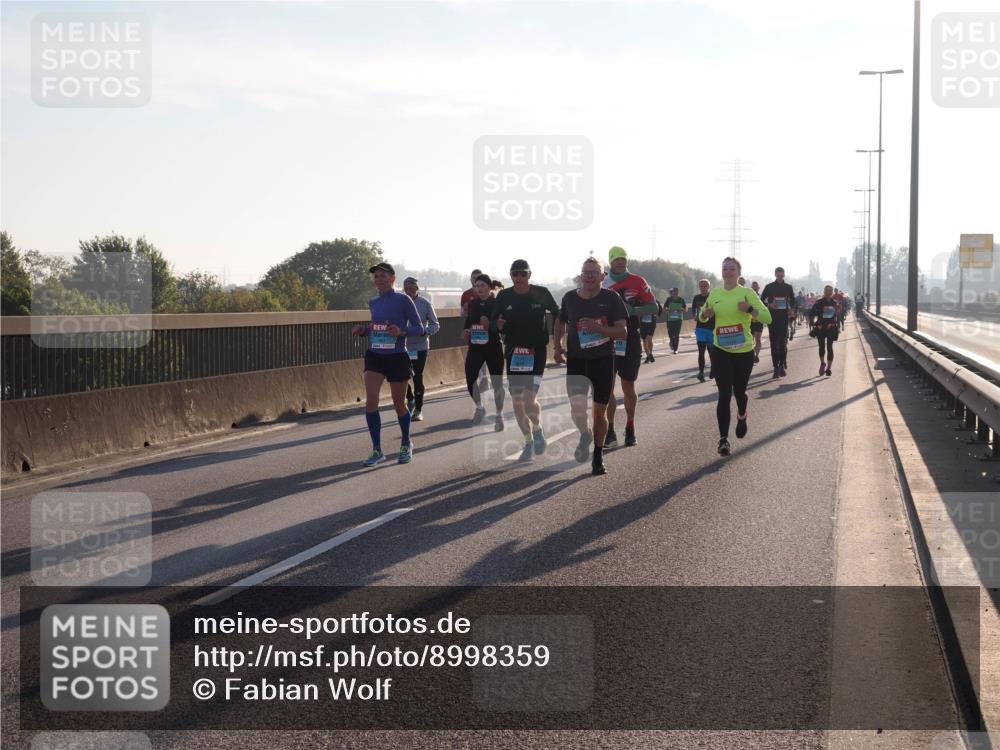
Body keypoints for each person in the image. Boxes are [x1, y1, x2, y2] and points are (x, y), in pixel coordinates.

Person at [553, 257, 629, 475]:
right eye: (585, 272)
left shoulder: (611, 298)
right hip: (576, 360)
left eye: (594, 273)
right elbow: (560, 321)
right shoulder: (570, 298)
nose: (588, 276)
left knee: (599, 412)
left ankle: (597, 454)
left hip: (603, 360)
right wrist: (557, 346)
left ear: (602, 277)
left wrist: (598, 328)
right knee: (577, 410)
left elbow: (622, 331)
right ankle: (584, 433)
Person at [352, 262, 425, 466]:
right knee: (371, 401)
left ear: (392, 279)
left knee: (398, 403)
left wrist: (401, 331)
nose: (379, 279)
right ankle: (377, 450)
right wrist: (363, 331)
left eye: (383, 276)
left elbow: (419, 327)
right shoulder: (373, 302)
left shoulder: (404, 300)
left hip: (396, 356)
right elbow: (377, 327)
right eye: (376, 276)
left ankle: (406, 443)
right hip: (375, 355)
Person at [699, 257, 772, 456]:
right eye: (725, 269)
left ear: (739, 272)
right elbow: (702, 315)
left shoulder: (747, 293)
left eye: (732, 269)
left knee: (739, 392)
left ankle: (742, 414)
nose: (728, 272)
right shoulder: (715, 293)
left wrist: (749, 309)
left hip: (743, 352)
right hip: (720, 350)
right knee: (724, 394)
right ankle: (723, 440)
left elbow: (767, 317)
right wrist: (706, 314)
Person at [491, 259, 560, 461]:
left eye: (523, 273)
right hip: (514, 353)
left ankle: (537, 429)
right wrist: (498, 324)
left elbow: (558, 313)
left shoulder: (541, 292)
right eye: (515, 274)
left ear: (529, 275)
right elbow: (493, 324)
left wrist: (558, 339)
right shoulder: (504, 296)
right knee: (517, 402)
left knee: (529, 400)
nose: (519, 277)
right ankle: (529, 441)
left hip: (536, 352)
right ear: (511, 276)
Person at [602, 246, 659, 448]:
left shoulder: (638, 281)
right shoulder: (602, 282)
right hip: (606, 339)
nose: (620, 262)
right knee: (606, 388)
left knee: (628, 386)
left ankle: (630, 426)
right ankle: (609, 431)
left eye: (623, 259)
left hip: (630, 339)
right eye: (616, 259)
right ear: (610, 261)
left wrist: (633, 310)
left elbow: (654, 307)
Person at [463, 273, 506, 430]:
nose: (479, 289)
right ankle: (480, 407)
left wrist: (491, 324)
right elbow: (468, 322)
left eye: (482, 286)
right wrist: (466, 330)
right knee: (470, 377)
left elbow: (502, 325)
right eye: (477, 286)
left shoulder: (496, 303)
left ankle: (499, 415)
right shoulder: (473, 304)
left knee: (497, 383)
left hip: (493, 346)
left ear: (489, 287)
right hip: (476, 346)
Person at [403, 277, 440, 422]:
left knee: (417, 376)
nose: (409, 291)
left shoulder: (424, 304)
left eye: (412, 289)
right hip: (402, 345)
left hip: (420, 346)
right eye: (406, 289)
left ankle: (418, 409)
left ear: (416, 289)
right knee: (401, 376)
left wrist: (425, 331)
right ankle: (410, 398)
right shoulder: (400, 302)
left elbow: (435, 324)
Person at [760, 266, 796, 378]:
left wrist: (791, 310)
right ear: (775, 274)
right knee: (773, 344)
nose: (780, 277)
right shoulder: (769, 287)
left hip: (784, 318)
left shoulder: (788, 287)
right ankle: (775, 367)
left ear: (784, 275)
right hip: (772, 319)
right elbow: (761, 300)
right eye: (778, 275)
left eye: (781, 275)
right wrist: (769, 304)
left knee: (782, 343)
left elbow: (794, 301)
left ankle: (782, 364)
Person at [810, 285, 840, 376]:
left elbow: (837, 316)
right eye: (827, 290)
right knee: (822, 347)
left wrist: (834, 323)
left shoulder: (835, 303)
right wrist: (815, 323)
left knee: (830, 347)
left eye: (830, 291)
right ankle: (823, 363)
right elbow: (811, 313)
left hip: (831, 328)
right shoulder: (819, 302)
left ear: (832, 292)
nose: (828, 292)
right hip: (821, 328)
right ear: (824, 291)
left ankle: (829, 368)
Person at [690, 278, 714, 382]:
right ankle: (701, 372)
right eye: (701, 286)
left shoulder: (712, 297)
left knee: (711, 352)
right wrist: (695, 315)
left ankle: (713, 369)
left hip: (712, 328)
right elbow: (694, 309)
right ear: (699, 287)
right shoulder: (696, 298)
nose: (703, 288)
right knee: (701, 351)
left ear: (708, 287)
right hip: (700, 328)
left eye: (705, 286)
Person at [663, 287, 686, 354]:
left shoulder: (681, 300)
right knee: (670, 334)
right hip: (670, 319)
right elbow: (664, 308)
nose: (674, 293)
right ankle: (672, 341)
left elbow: (685, 309)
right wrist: (668, 311)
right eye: (672, 292)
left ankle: (675, 349)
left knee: (676, 334)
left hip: (678, 319)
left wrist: (681, 310)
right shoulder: (669, 299)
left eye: (675, 292)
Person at [641, 299, 661, 363]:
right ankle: (649, 356)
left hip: (651, 323)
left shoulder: (655, 301)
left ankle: (649, 355)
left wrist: (658, 316)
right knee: (645, 340)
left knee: (649, 340)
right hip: (643, 323)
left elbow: (660, 309)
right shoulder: (640, 301)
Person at [749, 280, 764, 363]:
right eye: (753, 287)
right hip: (749, 321)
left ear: (758, 288)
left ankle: (756, 355)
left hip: (758, 321)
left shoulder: (761, 297)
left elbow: (764, 308)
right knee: (751, 339)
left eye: (756, 287)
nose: (754, 288)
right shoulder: (747, 297)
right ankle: (752, 355)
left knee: (758, 339)